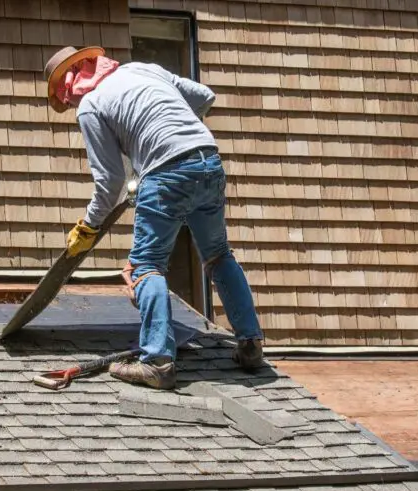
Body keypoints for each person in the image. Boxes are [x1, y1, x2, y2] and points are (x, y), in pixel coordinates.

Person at [43, 45, 265, 390]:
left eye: (65, 99)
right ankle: (251, 345)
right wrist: (170, 129)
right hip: (208, 160)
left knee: (147, 265)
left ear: (68, 87)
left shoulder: (90, 106)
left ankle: (157, 362)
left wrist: (88, 226)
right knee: (219, 254)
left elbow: (109, 181)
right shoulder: (141, 69)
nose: (69, 105)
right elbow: (205, 96)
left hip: (166, 173)